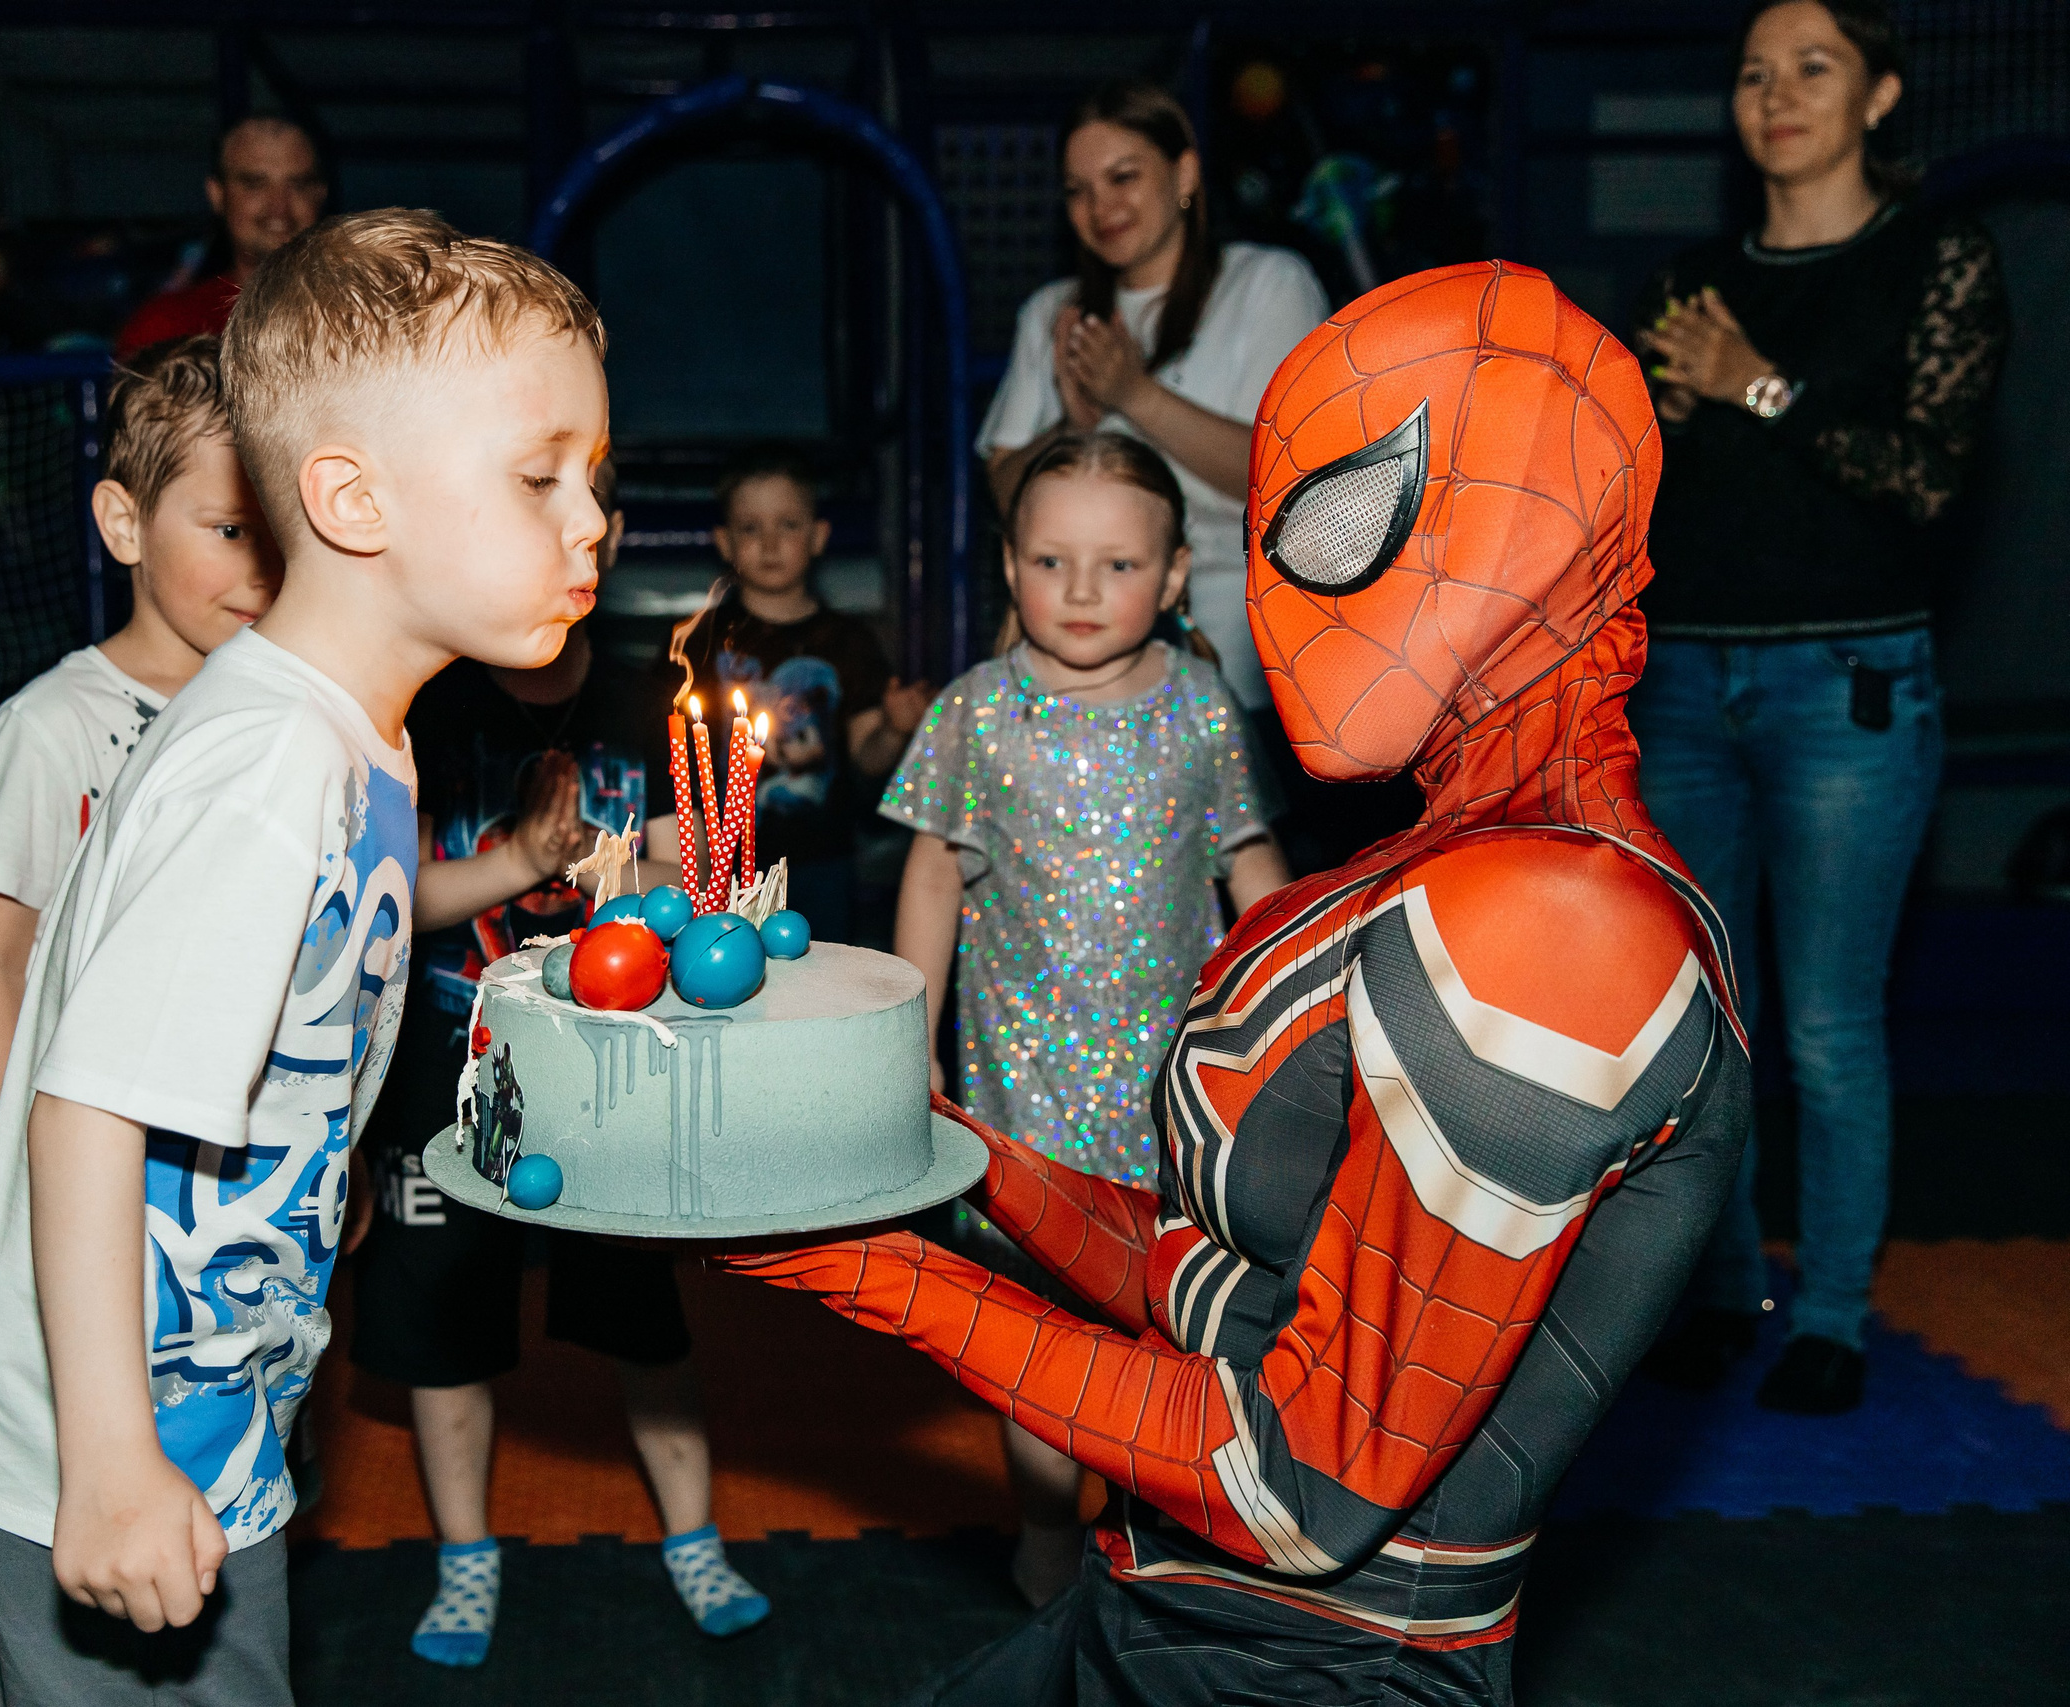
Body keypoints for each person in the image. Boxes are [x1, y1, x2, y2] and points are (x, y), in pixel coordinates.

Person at [723, 261, 1751, 1705]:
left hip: (1313, 1668)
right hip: (1166, 1611)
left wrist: (874, 1275)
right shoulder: (1457, 866)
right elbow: (1225, 1277)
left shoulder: (1557, 928)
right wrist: (954, 1162)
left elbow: (1302, 1481)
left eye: (1345, 512)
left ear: (1527, 506)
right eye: (1280, 521)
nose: (1290, 577)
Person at [0, 209, 609, 1706]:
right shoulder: (268, 767)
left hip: (185, 1380)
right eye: (540, 476)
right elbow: (86, 1105)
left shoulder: (361, 735)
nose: (591, 517)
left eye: (592, 476)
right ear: (352, 500)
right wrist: (109, 1460)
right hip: (111, 1424)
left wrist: (313, 1175)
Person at [1631, 0, 2007, 1415]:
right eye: (1751, 71)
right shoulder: (1691, 276)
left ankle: (1832, 1309)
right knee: (1699, 1015)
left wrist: (1755, 385)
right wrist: (1660, 422)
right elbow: (1652, 500)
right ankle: (1726, 1285)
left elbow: (1927, 480)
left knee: (1831, 1024)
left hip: (1846, 684)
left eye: (1813, 66)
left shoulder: (1938, 261)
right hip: (1681, 678)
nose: (1775, 94)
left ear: (1880, 93)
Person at [347, 457, 769, 1668]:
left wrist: (604, 866)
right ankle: (464, 1557)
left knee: (644, 1314)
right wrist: (524, 855)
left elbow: (705, 877)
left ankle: (693, 1535)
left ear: (608, 535)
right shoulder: (417, 706)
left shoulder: (653, 703)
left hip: (606, 1067)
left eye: (570, 512)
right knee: (436, 1314)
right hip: (444, 1056)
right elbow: (391, 899)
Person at [882, 432, 1287, 1607]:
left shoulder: (1202, 710)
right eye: (1051, 560)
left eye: (1116, 567)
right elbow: (930, 874)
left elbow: (1249, 865)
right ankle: (1049, 1533)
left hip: (1183, 1103)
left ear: (1170, 580)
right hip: (1027, 1097)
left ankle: (1171, 1538)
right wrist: (911, 1037)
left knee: (1186, 1336)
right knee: (1044, 1347)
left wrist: (1300, 1027)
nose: (1079, 591)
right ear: (1008, 567)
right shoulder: (976, 714)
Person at [976, 81, 1377, 869]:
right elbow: (1006, 489)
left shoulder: (1267, 283)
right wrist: (1078, 421)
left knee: (1250, 879)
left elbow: (1295, 476)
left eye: (1123, 177)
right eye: (1078, 191)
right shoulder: (1053, 312)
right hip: (1083, 656)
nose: (1101, 207)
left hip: (1252, 660)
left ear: (1186, 174)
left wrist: (1137, 397)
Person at [0, 335, 283, 1139]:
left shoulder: (285, 716)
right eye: (232, 531)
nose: (264, 569)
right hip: (88, 1144)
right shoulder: (51, 728)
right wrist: (15, 1171)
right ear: (125, 525)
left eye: (282, 533)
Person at [669, 445, 930, 941]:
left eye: (788, 524)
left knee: (821, 991)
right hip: (719, 864)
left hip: (823, 860)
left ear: (818, 536)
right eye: (750, 528)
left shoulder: (848, 642)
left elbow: (865, 757)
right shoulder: (697, 643)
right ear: (723, 541)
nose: (769, 543)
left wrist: (895, 729)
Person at [113, 116, 329, 358]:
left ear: (320, 194)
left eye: (298, 184)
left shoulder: (352, 317)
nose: (279, 207)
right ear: (217, 194)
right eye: (255, 184)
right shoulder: (167, 327)